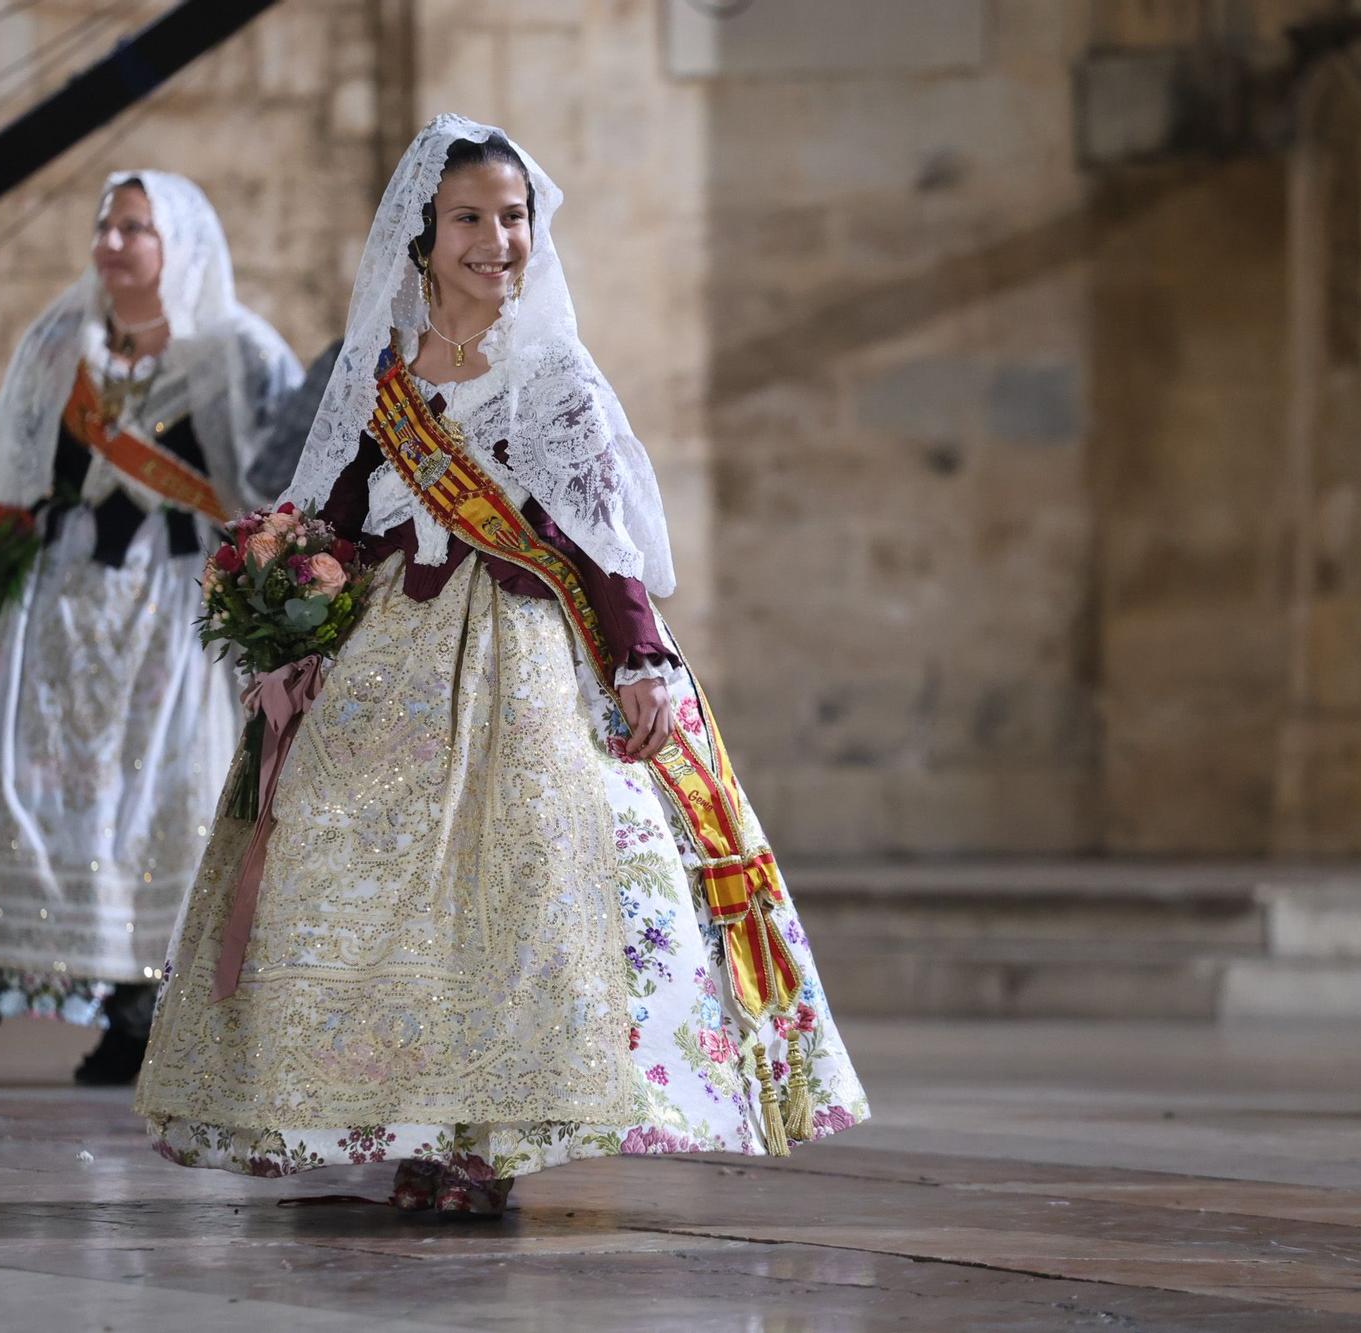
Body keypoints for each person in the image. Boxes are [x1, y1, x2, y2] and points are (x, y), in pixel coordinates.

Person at [137, 118, 868, 1214]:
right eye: (469, 218)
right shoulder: (378, 368)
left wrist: (639, 663)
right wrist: (281, 616)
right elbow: (331, 513)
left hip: (515, 657)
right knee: (333, 870)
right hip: (383, 654)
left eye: (513, 217)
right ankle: (392, 1117)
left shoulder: (551, 372)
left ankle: (480, 1145)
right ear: (421, 236)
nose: (496, 239)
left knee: (514, 890)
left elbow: (598, 537)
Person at [0, 171, 305, 1085]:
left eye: (135, 227)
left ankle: (169, 1012)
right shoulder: (59, 346)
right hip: (63, 619)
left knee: (172, 809)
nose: (114, 242)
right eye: (105, 225)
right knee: (81, 815)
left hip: (178, 617)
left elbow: (284, 493)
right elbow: (13, 475)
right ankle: (115, 1004)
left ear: (181, 244)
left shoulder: (240, 354)